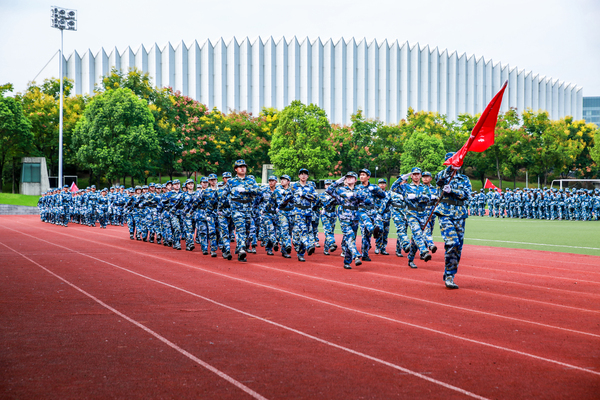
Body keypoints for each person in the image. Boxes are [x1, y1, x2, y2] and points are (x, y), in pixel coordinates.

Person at [434, 152, 472, 289]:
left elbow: (467, 195)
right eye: (452, 162)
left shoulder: (464, 179)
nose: (455, 165)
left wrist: (453, 191)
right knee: (452, 242)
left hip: (460, 214)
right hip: (445, 213)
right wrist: (451, 168)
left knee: (458, 247)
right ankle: (449, 275)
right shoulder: (443, 176)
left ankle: (449, 273)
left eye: (457, 162)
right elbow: (439, 179)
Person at [326, 172, 365, 269]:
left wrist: (354, 195)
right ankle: (356, 256)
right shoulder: (340, 189)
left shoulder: (359, 189)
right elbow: (329, 190)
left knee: (351, 239)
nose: (349, 179)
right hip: (344, 217)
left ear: (356, 180)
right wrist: (338, 181)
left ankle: (347, 262)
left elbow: (364, 198)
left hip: (355, 217)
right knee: (349, 235)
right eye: (347, 177)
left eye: (352, 177)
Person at [225, 159, 260, 262]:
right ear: (236, 169)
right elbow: (224, 195)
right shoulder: (231, 181)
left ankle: (239, 248)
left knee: (248, 231)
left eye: (244, 166)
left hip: (248, 209)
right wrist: (223, 209)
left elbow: (258, 191)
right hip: (236, 209)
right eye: (240, 167)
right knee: (241, 229)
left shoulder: (251, 180)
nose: (242, 168)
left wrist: (246, 190)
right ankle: (241, 249)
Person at [281, 168, 318, 262]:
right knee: (303, 230)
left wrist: (304, 194)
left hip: (308, 212)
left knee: (306, 231)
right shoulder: (294, 186)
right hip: (298, 211)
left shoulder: (311, 187)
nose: (303, 175)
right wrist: (281, 206)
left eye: (305, 174)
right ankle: (309, 245)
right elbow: (288, 197)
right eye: (301, 174)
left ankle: (301, 254)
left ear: (308, 176)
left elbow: (316, 198)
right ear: (299, 176)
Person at [356, 169, 386, 261]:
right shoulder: (357, 188)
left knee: (379, 229)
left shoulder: (374, 187)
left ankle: (374, 232)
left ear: (368, 177)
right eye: (360, 175)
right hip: (361, 211)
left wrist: (376, 190)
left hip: (373, 211)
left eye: (363, 175)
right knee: (365, 234)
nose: (361, 176)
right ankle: (365, 254)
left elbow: (383, 195)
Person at [319, 179, 338, 255]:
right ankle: (331, 244)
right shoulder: (322, 195)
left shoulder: (335, 194)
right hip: (325, 214)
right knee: (328, 230)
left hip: (333, 214)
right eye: (327, 184)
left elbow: (339, 202)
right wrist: (333, 198)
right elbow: (325, 203)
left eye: (330, 184)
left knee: (331, 231)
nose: (328, 186)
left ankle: (326, 248)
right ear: (325, 186)